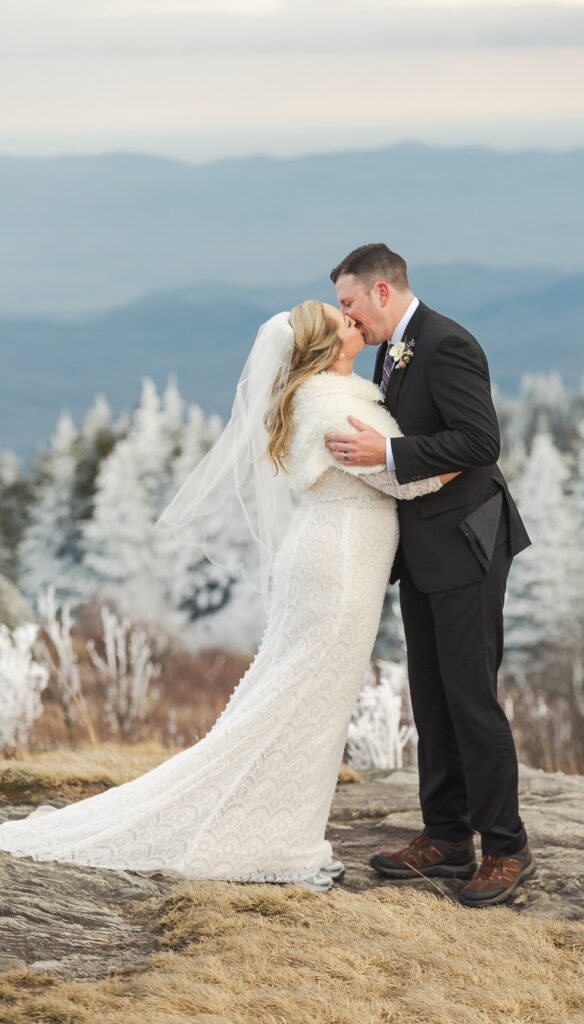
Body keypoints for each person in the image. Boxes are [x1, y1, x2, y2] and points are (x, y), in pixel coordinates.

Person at [0, 300, 456, 892]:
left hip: (331, 553)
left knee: (303, 696)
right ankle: (272, 838)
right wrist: (468, 458)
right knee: (306, 700)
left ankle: (281, 827)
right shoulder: (332, 404)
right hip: (339, 561)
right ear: (322, 347)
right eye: (339, 319)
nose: (352, 320)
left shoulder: (326, 395)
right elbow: (406, 476)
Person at [326, 244, 535, 907]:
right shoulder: (393, 348)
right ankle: (446, 837)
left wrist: (386, 451)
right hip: (420, 547)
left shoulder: (444, 343)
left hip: (467, 544)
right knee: (431, 692)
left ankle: (506, 847)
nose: (346, 316)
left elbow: (480, 442)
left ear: (382, 292)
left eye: (349, 302)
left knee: (469, 695)